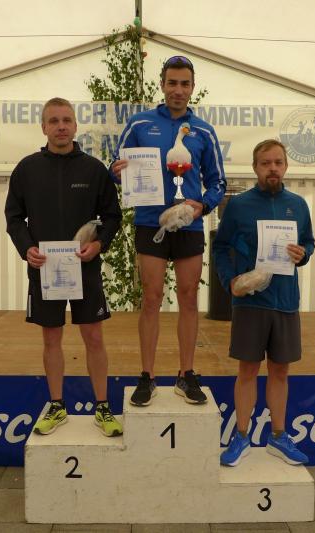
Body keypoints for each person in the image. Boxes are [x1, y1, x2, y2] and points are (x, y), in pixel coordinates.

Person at [111, 56, 226, 406]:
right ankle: (147, 376)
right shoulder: (139, 123)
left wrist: (202, 205)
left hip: (188, 224)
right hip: (150, 222)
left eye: (184, 84)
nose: (178, 89)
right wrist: (117, 171)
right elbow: (116, 165)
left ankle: (185, 374)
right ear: (161, 84)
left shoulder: (204, 131)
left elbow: (218, 182)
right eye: (172, 82)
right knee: (151, 298)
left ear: (192, 87)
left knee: (189, 298)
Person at [5, 97, 123, 437]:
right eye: (54, 121)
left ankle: (103, 407)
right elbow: (14, 218)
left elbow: (112, 216)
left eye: (66, 120)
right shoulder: (26, 169)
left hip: (85, 269)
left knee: (94, 336)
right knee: (51, 338)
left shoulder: (94, 169)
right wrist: (26, 248)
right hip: (44, 270)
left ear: (75, 126)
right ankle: (57, 406)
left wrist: (99, 245)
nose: (61, 126)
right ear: (43, 127)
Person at [212, 139, 315, 466]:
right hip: (251, 303)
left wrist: (303, 254)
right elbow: (220, 247)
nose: (273, 168)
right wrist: (231, 281)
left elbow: (309, 243)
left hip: (285, 301)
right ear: (255, 167)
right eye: (266, 163)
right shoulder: (239, 206)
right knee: (247, 369)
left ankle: (278, 437)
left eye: (278, 162)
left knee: (280, 370)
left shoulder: (298, 205)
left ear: (286, 166)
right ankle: (241, 436)